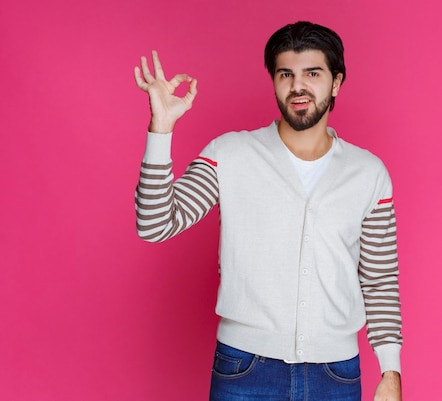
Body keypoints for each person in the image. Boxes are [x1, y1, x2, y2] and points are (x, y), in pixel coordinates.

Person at [134, 21, 403, 401]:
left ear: (336, 82)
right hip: (244, 370)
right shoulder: (230, 155)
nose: (298, 86)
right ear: (274, 81)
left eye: (313, 73)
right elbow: (154, 224)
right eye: (285, 74)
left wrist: (390, 371)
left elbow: (379, 281)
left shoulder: (368, 174)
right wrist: (161, 130)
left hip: (336, 375)